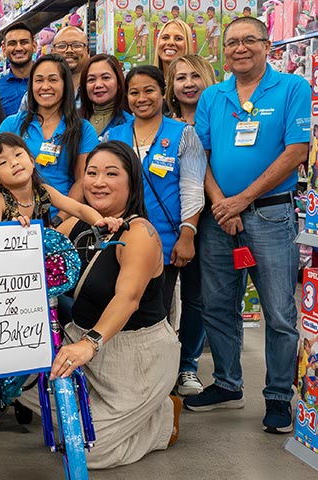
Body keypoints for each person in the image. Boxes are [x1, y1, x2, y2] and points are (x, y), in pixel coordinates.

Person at [183, 17, 310, 435]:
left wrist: (243, 199)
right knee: (217, 306)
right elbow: (199, 154)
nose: (240, 48)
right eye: (232, 42)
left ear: (267, 45)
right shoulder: (213, 96)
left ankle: (277, 397)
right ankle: (227, 383)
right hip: (220, 217)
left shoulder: (291, 88)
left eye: (248, 40)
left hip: (271, 215)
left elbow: (296, 151)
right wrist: (222, 203)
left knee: (278, 311)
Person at [39, 140, 181, 468]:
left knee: (85, 450)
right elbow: (37, 255)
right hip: (78, 342)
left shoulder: (139, 233)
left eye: (111, 174)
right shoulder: (78, 222)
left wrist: (90, 344)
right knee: (23, 388)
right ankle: (100, 408)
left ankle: (161, 420)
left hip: (133, 356)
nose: (98, 181)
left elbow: (127, 299)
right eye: (91, 173)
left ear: (132, 181)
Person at [104, 65, 206, 319]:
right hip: (118, 241)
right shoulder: (112, 136)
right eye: (134, 93)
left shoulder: (184, 134)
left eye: (149, 90)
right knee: (121, 312)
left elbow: (193, 189)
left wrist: (188, 235)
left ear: (163, 92)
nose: (141, 99)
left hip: (165, 242)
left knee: (157, 315)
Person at [165, 54, 217, 397]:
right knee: (164, 297)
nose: (187, 83)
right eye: (180, 77)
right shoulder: (163, 123)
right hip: (170, 221)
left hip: (212, 218)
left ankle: (188, 366)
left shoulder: (219, 119)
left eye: (195, 76)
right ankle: (164, 366)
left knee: (198, 297)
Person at [0, 54, 99, 219]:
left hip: (65, 218)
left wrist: (60, 219)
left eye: (53, 80)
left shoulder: (83, 129)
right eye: (39, 80)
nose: (45, 86)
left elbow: (82, 180)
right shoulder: (11, 125)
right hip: (17, 220)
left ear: (66, 85)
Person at [0, 132, 122, 231]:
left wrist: (100, 222)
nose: (14, 163)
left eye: (18, 154)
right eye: (3, 162)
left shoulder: (43, 191)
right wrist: (9, 229)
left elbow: (79, 209)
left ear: (31, 160)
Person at [78, 54, 133, 138]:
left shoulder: (129, 124)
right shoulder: (72, 121)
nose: (98, 85)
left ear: (118, 82)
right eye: (91, 79)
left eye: (106, 77)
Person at [0, 22, 36, 116]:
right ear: (4, 49)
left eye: (24, 42)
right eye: (12, 43)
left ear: (34, 46)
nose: (18, 48)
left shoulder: (47, 83)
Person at [50, 26, 90, 103]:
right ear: (52, 52)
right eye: (61, 46)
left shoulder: (98, 87)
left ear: (88, 51)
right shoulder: (42, 90)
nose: (69, 50)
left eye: (77, 45)